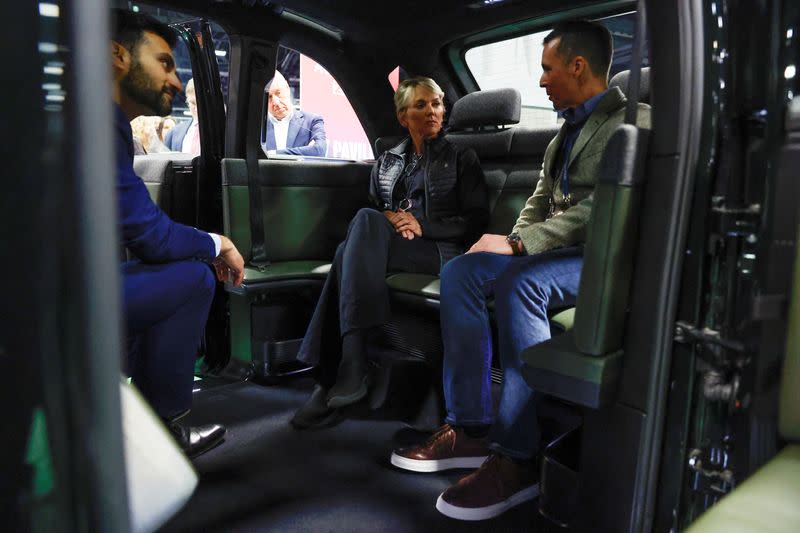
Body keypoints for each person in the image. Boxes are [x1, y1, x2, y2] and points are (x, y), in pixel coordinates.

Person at [389, 20, 651, 520]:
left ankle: (517, 457)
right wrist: (506, 242)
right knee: (462, 273)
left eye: (548, 69)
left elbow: (601, 208)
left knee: (519, 284)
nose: (541, 81)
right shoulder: (563, 134)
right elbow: (537, 202)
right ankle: (469, 427)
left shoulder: (633, 123)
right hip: (557, 254)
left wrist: (517, 245)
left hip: (604, 258)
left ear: (578, 66)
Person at [291, 76, 490, 429]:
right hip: (394, 246)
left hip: (441, 252)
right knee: (359, 230)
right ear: (403, 117)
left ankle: (339, 371)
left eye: (437, 104)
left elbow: (475, 223)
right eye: (421, 105)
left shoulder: (462, 157)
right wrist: (388, 216)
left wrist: (421, 225)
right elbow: (371, 212)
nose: (432, 112)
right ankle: (344, 371)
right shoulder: (387, 161)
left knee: (346, 250)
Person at [111, 9, 245, 458]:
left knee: (152, 270)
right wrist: (218, 243)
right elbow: (151, 235)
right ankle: (162, 433)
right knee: (194, 279)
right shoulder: (97, 127)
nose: (174, 79)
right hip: (50, 305)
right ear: (117, 57)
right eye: (165, 63)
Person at [261, 70, 327, 157]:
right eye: (269, 97)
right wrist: (305, 151)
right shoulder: (258, 127)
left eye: (278, 93)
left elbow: (319, 150)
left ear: (287, 89)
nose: (275, 102)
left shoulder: (312, 121)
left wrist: (272, 154)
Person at [165, 78, 200, 154]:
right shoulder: (173, 133)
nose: (197, 109)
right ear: (187, 101)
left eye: (201, 104)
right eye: (193, 103)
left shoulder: (223, 133)